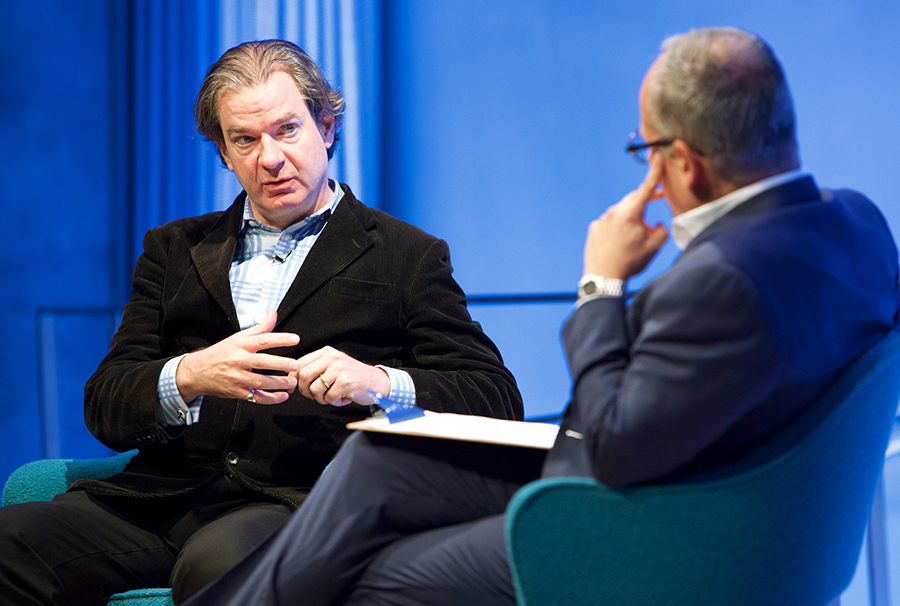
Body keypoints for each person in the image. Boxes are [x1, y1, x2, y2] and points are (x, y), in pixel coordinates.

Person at [180, 26, 900, 606]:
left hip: (645, 527)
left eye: (644, 148)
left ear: (683, 164)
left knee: (363, 573)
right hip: (715, 487)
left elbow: (612, 449)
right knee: (382, 459)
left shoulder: (721, 280)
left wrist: (601, 284)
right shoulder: (859, 225)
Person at [0, 40, 522, 606]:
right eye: (245, 140)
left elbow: (495, 398)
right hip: (163, 499)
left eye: (287, 130)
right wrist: (189, 375)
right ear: (223, 151)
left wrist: (378, 382)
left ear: (325, 126)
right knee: (11, 540)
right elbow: (105, 402)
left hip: (298, 504)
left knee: (219, 562)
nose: (269, 158)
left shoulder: (405, 255)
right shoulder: (174, 249)